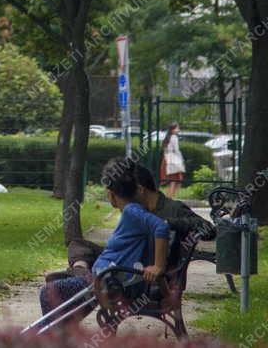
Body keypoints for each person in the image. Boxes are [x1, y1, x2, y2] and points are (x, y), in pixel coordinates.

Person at [39, 158, 170, 321]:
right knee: (65, 289)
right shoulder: (134, 211)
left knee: (48, 291)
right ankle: (61, 333)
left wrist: (158, 266)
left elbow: (161, 227)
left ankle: (55, 336)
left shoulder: (132, 211)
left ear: (111, 193)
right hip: (107, 279)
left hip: (109, 283)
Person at [54, 161, 213, 278]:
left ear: (140, 189)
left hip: (143, 270)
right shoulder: (136, 210)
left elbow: (209, 229)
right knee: (78, 245)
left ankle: (82, 278)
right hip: (130, 260)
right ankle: (80, 274)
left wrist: (170, 223)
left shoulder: (173, 209)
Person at [161, 123, 186, 198]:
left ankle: (168, 197)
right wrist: (181, 159)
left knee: (172, 181)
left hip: (167, 159)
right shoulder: (174, 137)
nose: (178, 130)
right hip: (174, 160)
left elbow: (165, 150)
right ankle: (170, 198)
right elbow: (176, 150)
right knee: (175, 180)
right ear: (172, 130)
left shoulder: (167, 138)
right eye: (177, 128)